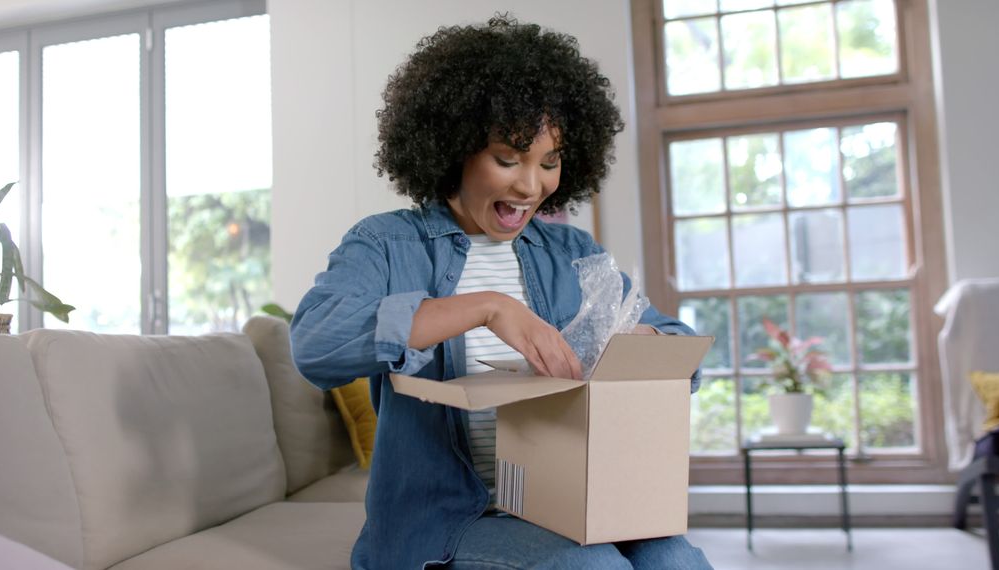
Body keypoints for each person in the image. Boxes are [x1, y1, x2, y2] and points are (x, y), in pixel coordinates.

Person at [290, 15, 713, 570]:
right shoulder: (388, 243)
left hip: (560, 504)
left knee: (675, 560)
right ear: (453, 148)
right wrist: (488, 308)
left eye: (550, 163)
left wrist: (634, 342)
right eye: (508, 159)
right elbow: (316, 344)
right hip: (447, 523)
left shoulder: (569, 252)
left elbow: (683, 353)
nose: (531, 185)